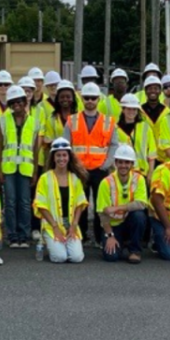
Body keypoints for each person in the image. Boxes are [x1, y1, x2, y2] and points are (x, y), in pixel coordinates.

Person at [65, 82, 118, 244]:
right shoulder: (72, 120)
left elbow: (114, 144)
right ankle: (80, 237)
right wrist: (74, 166)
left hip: (100, 169)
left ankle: (100, 237)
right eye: (87, 98)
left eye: (93, 98)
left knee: (100, 206)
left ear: (98, 99)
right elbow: (66, 144)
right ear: (82, 99)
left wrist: (106, 164)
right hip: (78, 169)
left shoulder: (109, 121)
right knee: (79, 204)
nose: (90, 101)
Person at [0, 85, 39, 248]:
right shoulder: (3, 120)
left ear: (25, 101)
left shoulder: (34, 122)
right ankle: (12, 236)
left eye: (19, 101)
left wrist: (35, 171)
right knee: (11, 202)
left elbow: (35, 148)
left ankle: (24, 235)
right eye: (12, 103)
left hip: (26, 168)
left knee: (25, 202)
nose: (16, 105)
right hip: (8, 168)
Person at [33, 138, 89, 264]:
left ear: (69, 157)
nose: (61, 159)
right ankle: (50, 243)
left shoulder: (75, 179)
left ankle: (61, 245)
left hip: (70, 225)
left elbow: (81, 203)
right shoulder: (45, 178)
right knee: (60, 258)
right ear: (53, 157)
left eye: (64, 155)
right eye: (58, 155)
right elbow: (41, 206)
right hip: (51, 225)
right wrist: (55, 227)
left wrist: (74, 224)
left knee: (76, 258)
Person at [97, 144, 149, 263]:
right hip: (113, 226)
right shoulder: (106, 183)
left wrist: (116, 208)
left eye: (127, 162)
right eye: (120, 162)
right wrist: (110, 236)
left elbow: (141, 204)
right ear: (115, 163)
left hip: (130, 222)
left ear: (132, 164)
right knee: (111, 257)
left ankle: (135, 251)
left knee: (139, 216)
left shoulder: (139, 179)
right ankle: (120, 242)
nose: (123, 166)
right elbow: (102, 213)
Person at [115, 94, 158, 177]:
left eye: (134, 109)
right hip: (122, 173)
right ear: (123, 110)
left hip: (142, 172)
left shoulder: (145, 127)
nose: (132, 111)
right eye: (129, 109)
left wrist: (150, 173)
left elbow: (152, 153)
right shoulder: (115, 129)